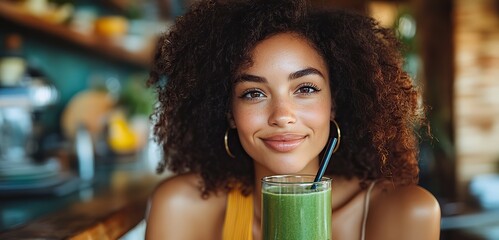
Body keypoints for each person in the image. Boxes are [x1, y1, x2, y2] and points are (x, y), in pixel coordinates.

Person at [145, 0, 441, 239]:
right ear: (229, 114)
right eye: (253, 93)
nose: (282, 116)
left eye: (306, 88)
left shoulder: (405, 213)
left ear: (333, 104)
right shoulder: (181, 208)